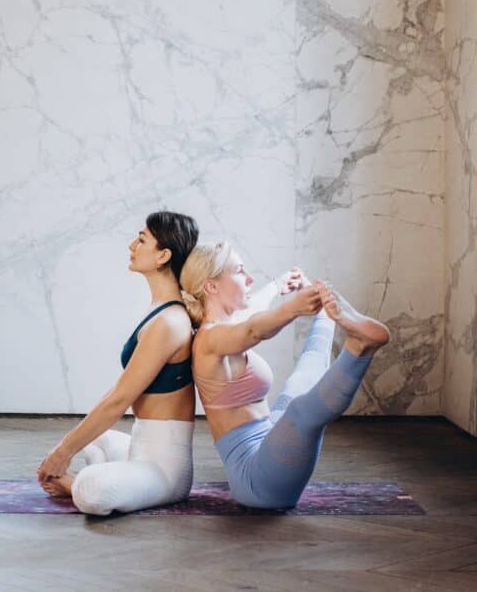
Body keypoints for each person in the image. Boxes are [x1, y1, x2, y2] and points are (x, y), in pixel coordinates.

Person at [180, 242, 390, 509]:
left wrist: (280, 285)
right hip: (256, 481)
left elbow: (252, 310)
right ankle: (360, 347)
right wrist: (294, 308)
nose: (249, 278)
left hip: (270, 440)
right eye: (240, 271)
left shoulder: (224, 327)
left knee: (301, 381)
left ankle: (329, 316)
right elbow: (252, 331)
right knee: (300, 411)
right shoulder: (208, 339)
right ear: (212, 286)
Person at [35, 211, 200, 515]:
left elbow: (119, 399)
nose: (131, 245)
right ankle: (112, 474)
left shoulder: (169, 322)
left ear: (163, 255)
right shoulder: (159, 311)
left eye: (141, 239)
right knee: (92, 441)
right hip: (139, 447)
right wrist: (67, 447)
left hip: (166, 471)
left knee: (91, 491)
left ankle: (80, 484)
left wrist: (62, 455)